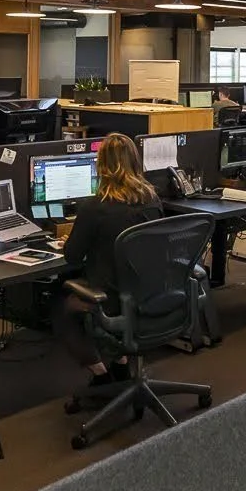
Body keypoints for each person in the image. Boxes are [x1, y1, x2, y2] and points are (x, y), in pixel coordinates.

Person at [55, 133, 165, 387]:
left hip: (111, 300)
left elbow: (72, 256)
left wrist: (68, 240)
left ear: (101, 165)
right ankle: (122, 365)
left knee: (62, 305)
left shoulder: (95, 206)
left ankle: (101, 375)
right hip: (150, 293)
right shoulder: (152, 200)